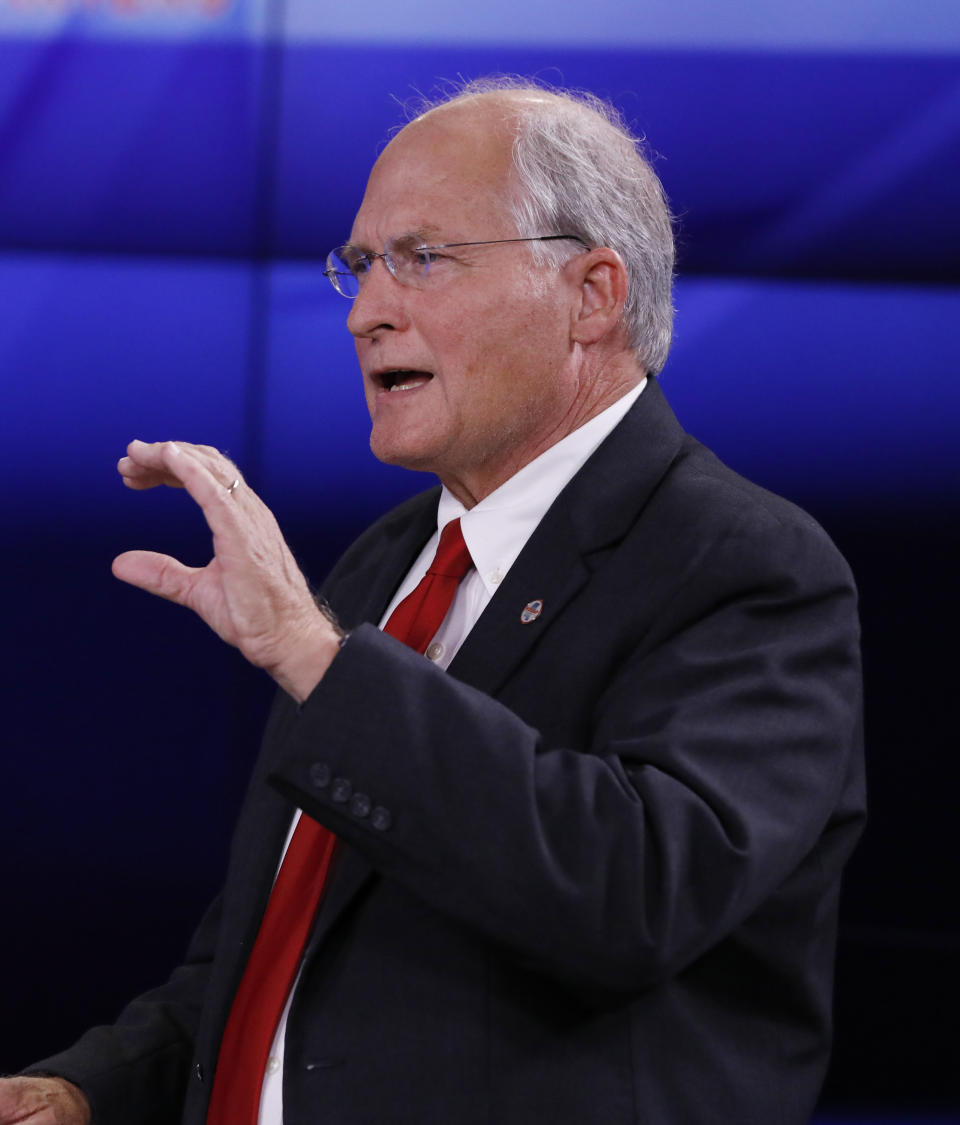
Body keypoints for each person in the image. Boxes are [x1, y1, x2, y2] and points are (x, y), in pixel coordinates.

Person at [0, 79, 865, 1125]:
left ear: (591, 292)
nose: (366, 312)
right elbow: (279, 945)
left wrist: (316, 656)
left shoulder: (744, 564)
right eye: (361, 266)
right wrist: (86, 1089)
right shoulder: (386, 567)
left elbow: (630, 896)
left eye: (422, 258)